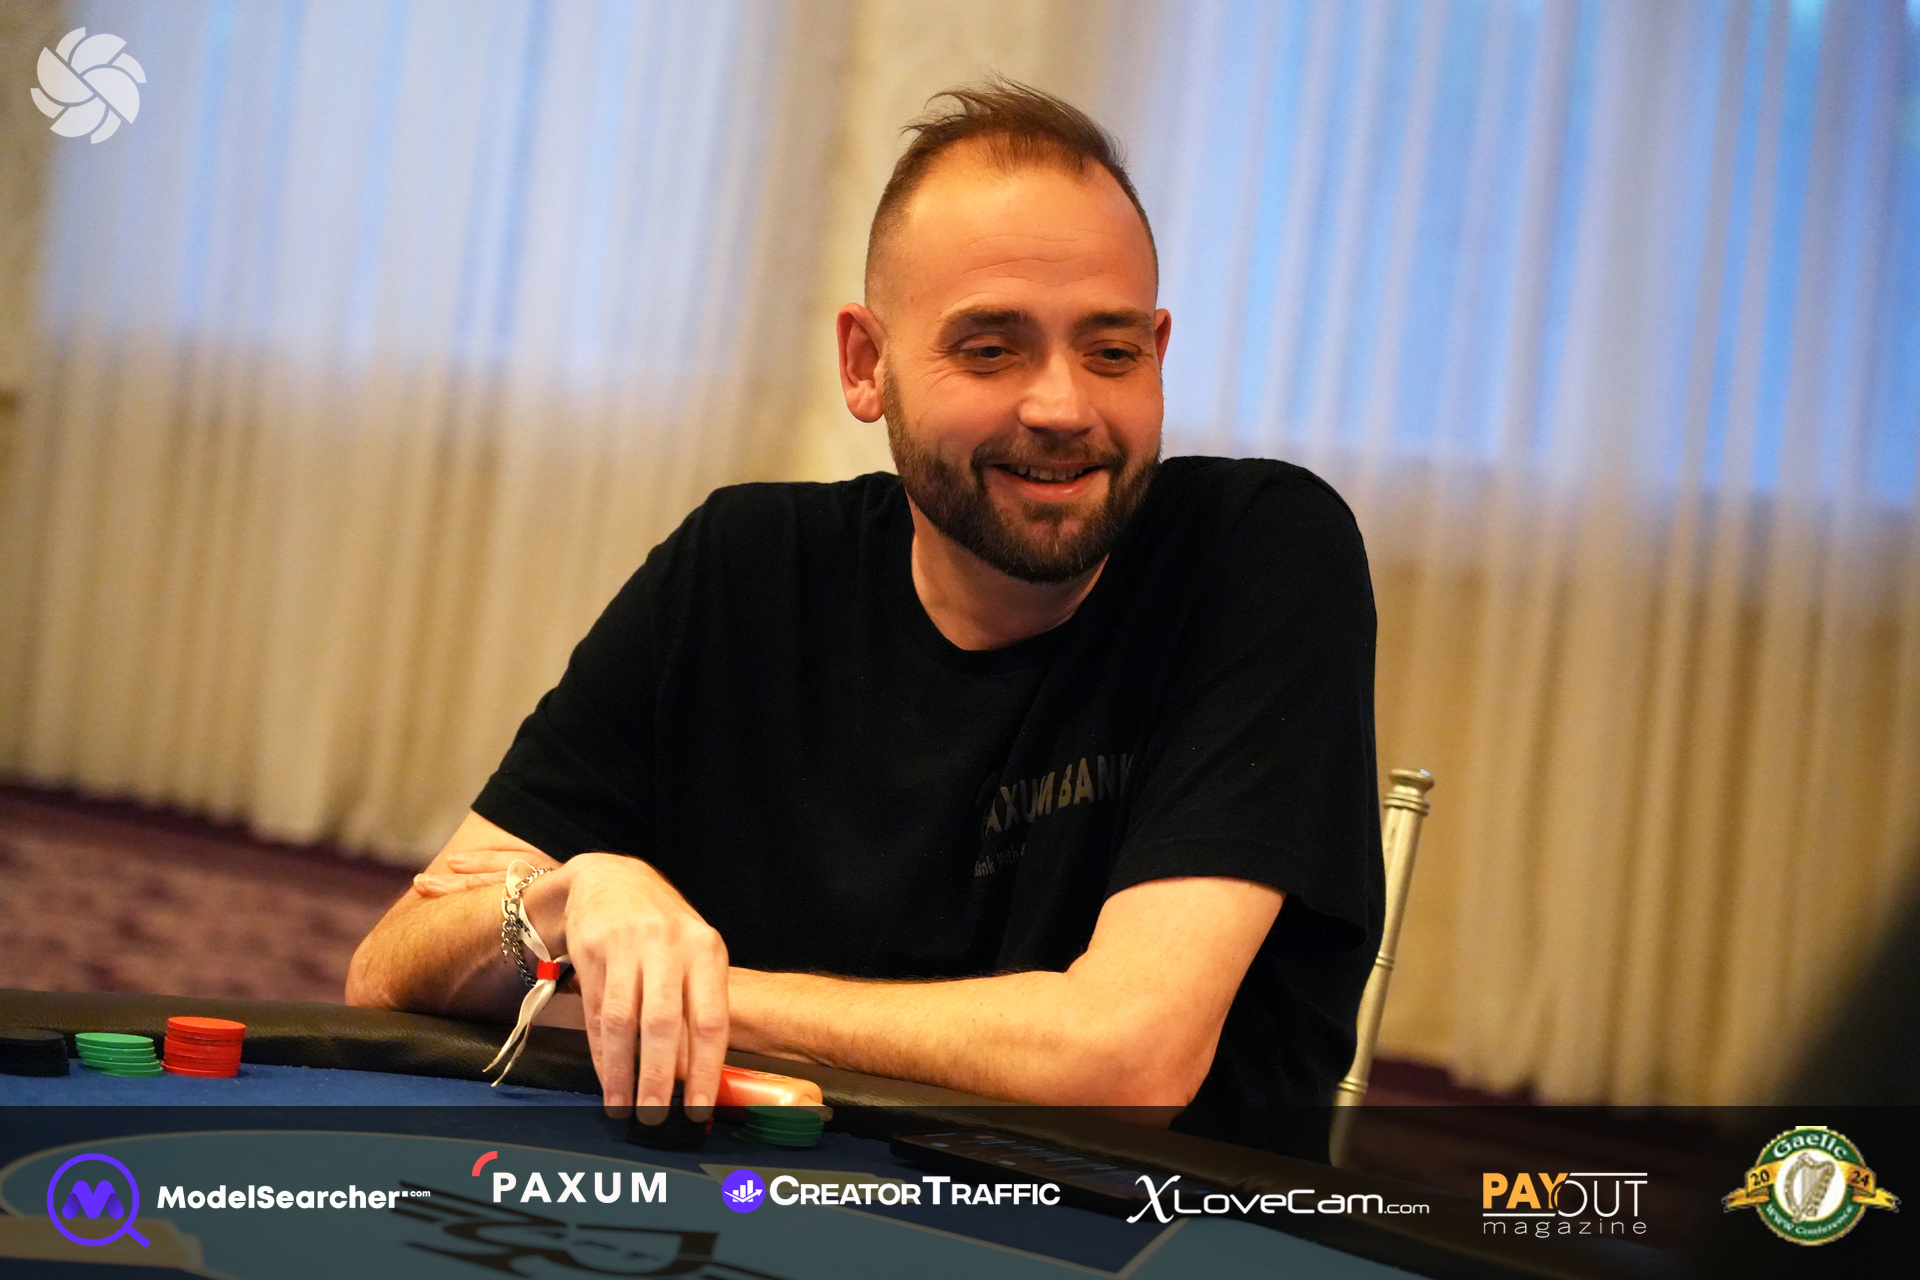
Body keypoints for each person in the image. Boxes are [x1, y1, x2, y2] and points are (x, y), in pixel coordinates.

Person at [347, 80, 1382, 1159]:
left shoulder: (1260, 550)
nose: (1064, 407)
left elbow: (1119, 1064)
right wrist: (567, 902)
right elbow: (390, 966)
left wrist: (686, 997)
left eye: (1111, 352)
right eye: (991, 349)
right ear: (865, 364)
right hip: (759, 1201)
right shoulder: (740, 567)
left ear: (1157, 352)